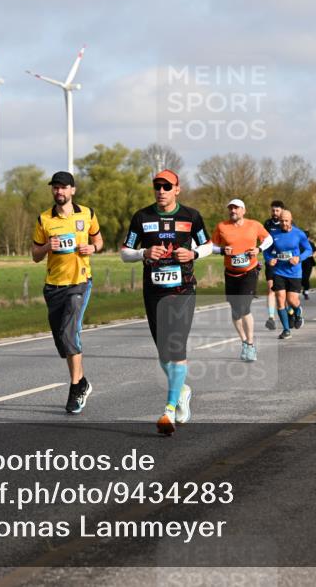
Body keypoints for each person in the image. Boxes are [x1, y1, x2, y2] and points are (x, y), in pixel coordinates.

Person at [121, 169, 211, 435]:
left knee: (177, 347)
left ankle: (168, 410)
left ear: (177, 189)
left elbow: (209, 245)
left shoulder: (191, 216)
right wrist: (143, 252)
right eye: (157, 186)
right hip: (154, 291)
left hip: (183, 290)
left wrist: (192, 252)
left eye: (166, 186)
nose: (161, 191)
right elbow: (124, 253)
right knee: (163, 353)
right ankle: (182, 390)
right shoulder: (142, 217)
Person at [31, 172, 103, 413]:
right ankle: (82, 382)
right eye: (55, 188)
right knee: (62, 341)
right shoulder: (44, 219)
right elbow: (34, 255)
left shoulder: (87, 214)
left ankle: (74, 388)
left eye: (63, 188)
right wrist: (45, 247)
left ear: (73, 190)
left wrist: (92, 247)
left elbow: (99, 243)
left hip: (79, 282)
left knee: (70, 333)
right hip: (53, 286)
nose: (59, 192)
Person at [211, 198, 272, 362]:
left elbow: (269, 239)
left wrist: (258, 249)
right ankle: (244, 341)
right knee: (235, 311)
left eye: (236, 208)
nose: (233, 211)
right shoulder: (221, 227)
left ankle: (251, 345)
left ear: (243, 210)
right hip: (230, 274)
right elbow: (211, 246)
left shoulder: (254, 225)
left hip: (249, 272)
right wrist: (222, 250)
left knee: (244, 307)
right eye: (231, 208)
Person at [264, 210, 312, 339]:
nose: (284, 223)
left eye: (286, 221)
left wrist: (299, 258)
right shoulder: (273, 234)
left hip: (294, 272)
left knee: (291, 300)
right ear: (279, 220)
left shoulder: (299, 234)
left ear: (291, 220)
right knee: (280, 299)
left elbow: (308, 249)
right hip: (279, 271)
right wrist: (269, 259)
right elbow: (266, 251)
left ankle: (298, 311)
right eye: (282, 221)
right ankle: (286, 330)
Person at [262, 200, 286, 330]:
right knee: (271, 288)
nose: (274, 213)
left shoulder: (288, 223)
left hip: (285, 261)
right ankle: (271, 318)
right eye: (273, 210)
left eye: (277, 210)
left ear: (282, 211)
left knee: (284, 291)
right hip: (271, 260)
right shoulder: (267, 224)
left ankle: (290, 312)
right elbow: (263, 241)